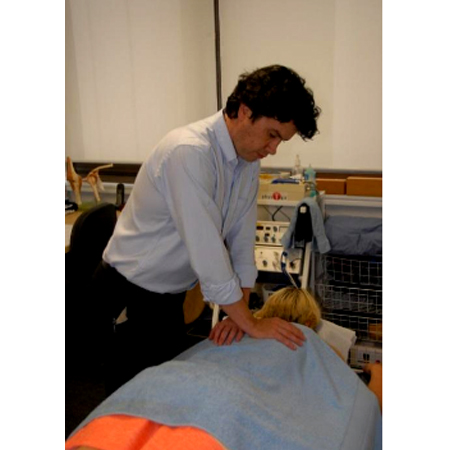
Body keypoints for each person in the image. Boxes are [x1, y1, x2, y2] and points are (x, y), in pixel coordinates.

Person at [92, 64, 321, 390]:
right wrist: (251, 322)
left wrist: (237, 316)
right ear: (245, 111)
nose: (273, 149)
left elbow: (242, 246)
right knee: (128, 401)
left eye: (280, 141)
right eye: (272, 135)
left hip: (167, 298)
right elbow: (209, 254)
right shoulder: (188, 153)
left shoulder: (247, 162)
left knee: (170, 393)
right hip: (127, 292)